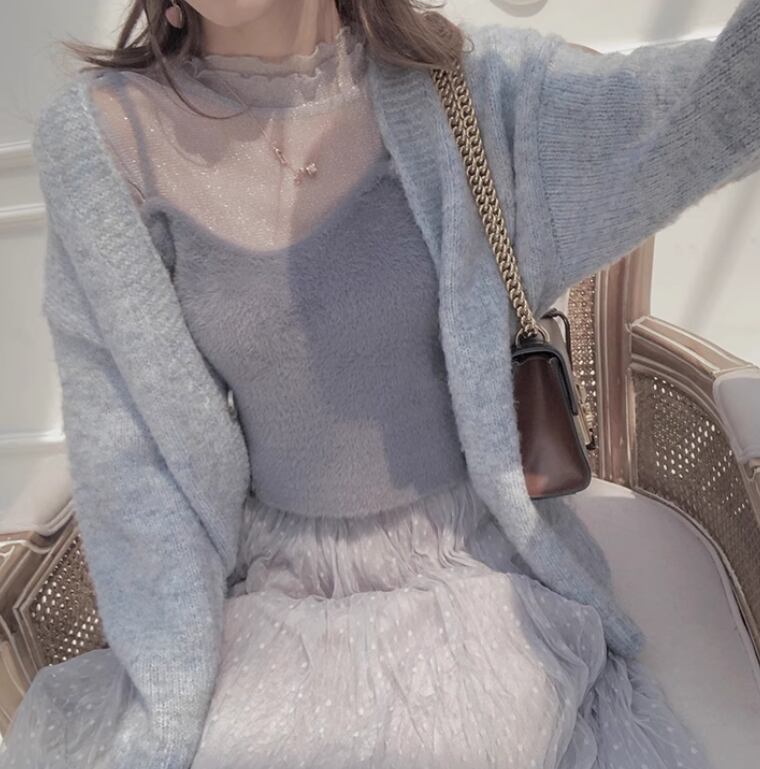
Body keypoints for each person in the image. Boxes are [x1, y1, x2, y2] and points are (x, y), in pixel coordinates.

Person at [3, 0, 760, 766]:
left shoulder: (472, 91)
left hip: (474, 571)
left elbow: (718, 107)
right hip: (276, 588)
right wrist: (172, 701)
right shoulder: (104, 142)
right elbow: (135, 460)